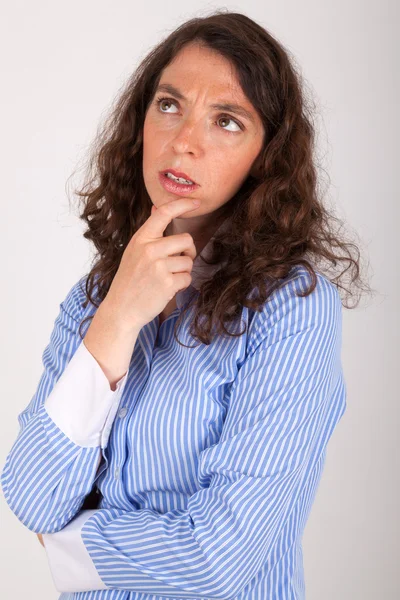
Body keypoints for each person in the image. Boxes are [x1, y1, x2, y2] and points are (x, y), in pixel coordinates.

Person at [1, 10, 367, 600]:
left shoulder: (291, 308)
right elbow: (32, 496)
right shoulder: (97, 296)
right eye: (169, 105)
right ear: (140, 121)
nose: (185, 141)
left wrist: (69, 547)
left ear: (265, 156)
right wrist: (117, 319)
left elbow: (215, 558)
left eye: (227, 121)